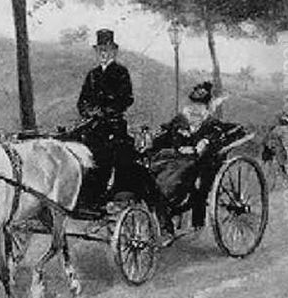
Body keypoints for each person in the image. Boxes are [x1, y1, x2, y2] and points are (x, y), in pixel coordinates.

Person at [76, 28, 174, 241]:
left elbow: (126, 99)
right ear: (96, 51)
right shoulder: (92, 75)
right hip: (93, 131)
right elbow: (82, 102)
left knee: (129, 167)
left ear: (114, 51)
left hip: (114, 129)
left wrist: (106, 111)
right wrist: (89, 112)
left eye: (107, 49)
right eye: (100, 49)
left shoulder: (120, 72)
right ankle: (91, 202)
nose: (103, 53)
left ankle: (162, 221)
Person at [150, 81, 239, 229]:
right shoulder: (181, 119)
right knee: (155, 171)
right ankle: (162, 211)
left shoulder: (211, 123)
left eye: (200, 105)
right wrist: (153, 141)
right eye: (194, 104)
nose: (196, 108)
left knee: (184, 181)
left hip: (201, 162)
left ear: (206, 106)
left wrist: (205, 142)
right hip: (176, 157)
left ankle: (194, 222)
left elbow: (217, 135)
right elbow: (166, 132)